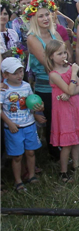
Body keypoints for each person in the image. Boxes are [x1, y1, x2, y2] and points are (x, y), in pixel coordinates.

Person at [24, 0, 64, 160]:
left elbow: (64, 55)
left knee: (63, 117)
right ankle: (54, 153)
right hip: (46, 85)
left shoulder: (54, 33)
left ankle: (66, 145)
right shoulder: (32, 38)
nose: (45, 18)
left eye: (47, 14)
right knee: (52, 120)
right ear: (34, 18)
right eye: (40, 16)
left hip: (61, 81)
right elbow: (48, 63)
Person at [45, 39, 79, 183]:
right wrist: (73, 76)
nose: (64, 56)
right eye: (59, 54)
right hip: (63, 110)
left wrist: (70, 92)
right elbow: (71, 88)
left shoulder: (70, 68)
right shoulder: (54, 74)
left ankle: (76, 166)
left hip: (74, 107)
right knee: (67, 143)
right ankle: (63, 171)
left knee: (76, 139)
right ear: (51, 56)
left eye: (65, 52)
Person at [1, 57, 44, 193]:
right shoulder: (3, 89)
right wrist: (9, 123)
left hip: (29, 124)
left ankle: (31, 175)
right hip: (14, 128)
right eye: (15, 73)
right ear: (5, 75)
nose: (20, 75)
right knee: (17, 156)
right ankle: (18, 181)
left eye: (21, 72)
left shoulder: (26, 86)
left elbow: (31, 102)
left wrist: (38, 110)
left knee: (30, 152)